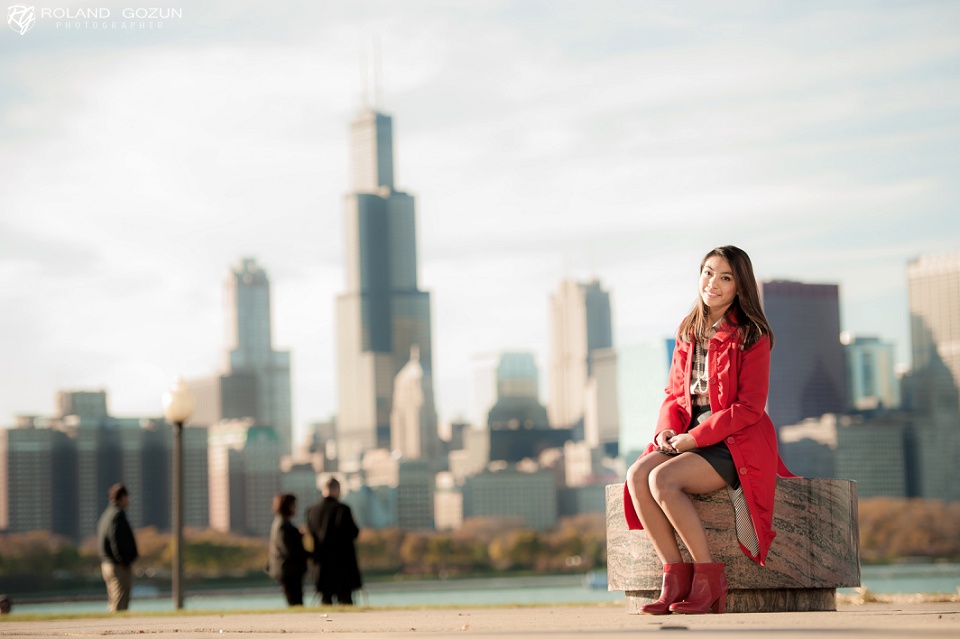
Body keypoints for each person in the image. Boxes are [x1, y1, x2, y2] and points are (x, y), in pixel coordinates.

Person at [624, 245, 795, 615]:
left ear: (739, 286)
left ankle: (709, 579)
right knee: (637, 474)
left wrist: (696, 438)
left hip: (734, 439)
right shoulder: (689, 330)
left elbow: (749, 408)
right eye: (707, 272)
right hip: (688, 430)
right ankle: (675, 579)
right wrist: (667, 433)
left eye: (725, 277)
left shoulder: (752, 334)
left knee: (663, 481)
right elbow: (674, 394)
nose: (712, 283)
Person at [306, 477, 362, 605]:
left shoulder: (311, 511)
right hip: (342, 563)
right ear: (336, 489)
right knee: (345, 600)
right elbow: (353, 533)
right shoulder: (343, 509)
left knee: (325, 600)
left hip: (321, 564)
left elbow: (310, 535)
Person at [96, 482, 139, 612]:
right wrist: (123, 560)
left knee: (113, 600)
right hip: (117, 566)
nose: (128, 501)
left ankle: (113, 628)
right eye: (127, 497)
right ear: (121, 497)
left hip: (107, 563)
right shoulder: (117, 515)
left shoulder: (106, 515)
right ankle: (116, 630)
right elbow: (116, 540)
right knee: (120, 603)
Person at [267, 492, 309, 606]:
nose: (295, 508)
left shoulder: (282, 523)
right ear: (288, 507)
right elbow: (289, 550)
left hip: (287, 570)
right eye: (293, 505)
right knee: (295, 602)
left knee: (295, 601)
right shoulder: (283, 525)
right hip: (288, 571)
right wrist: (309, 554)